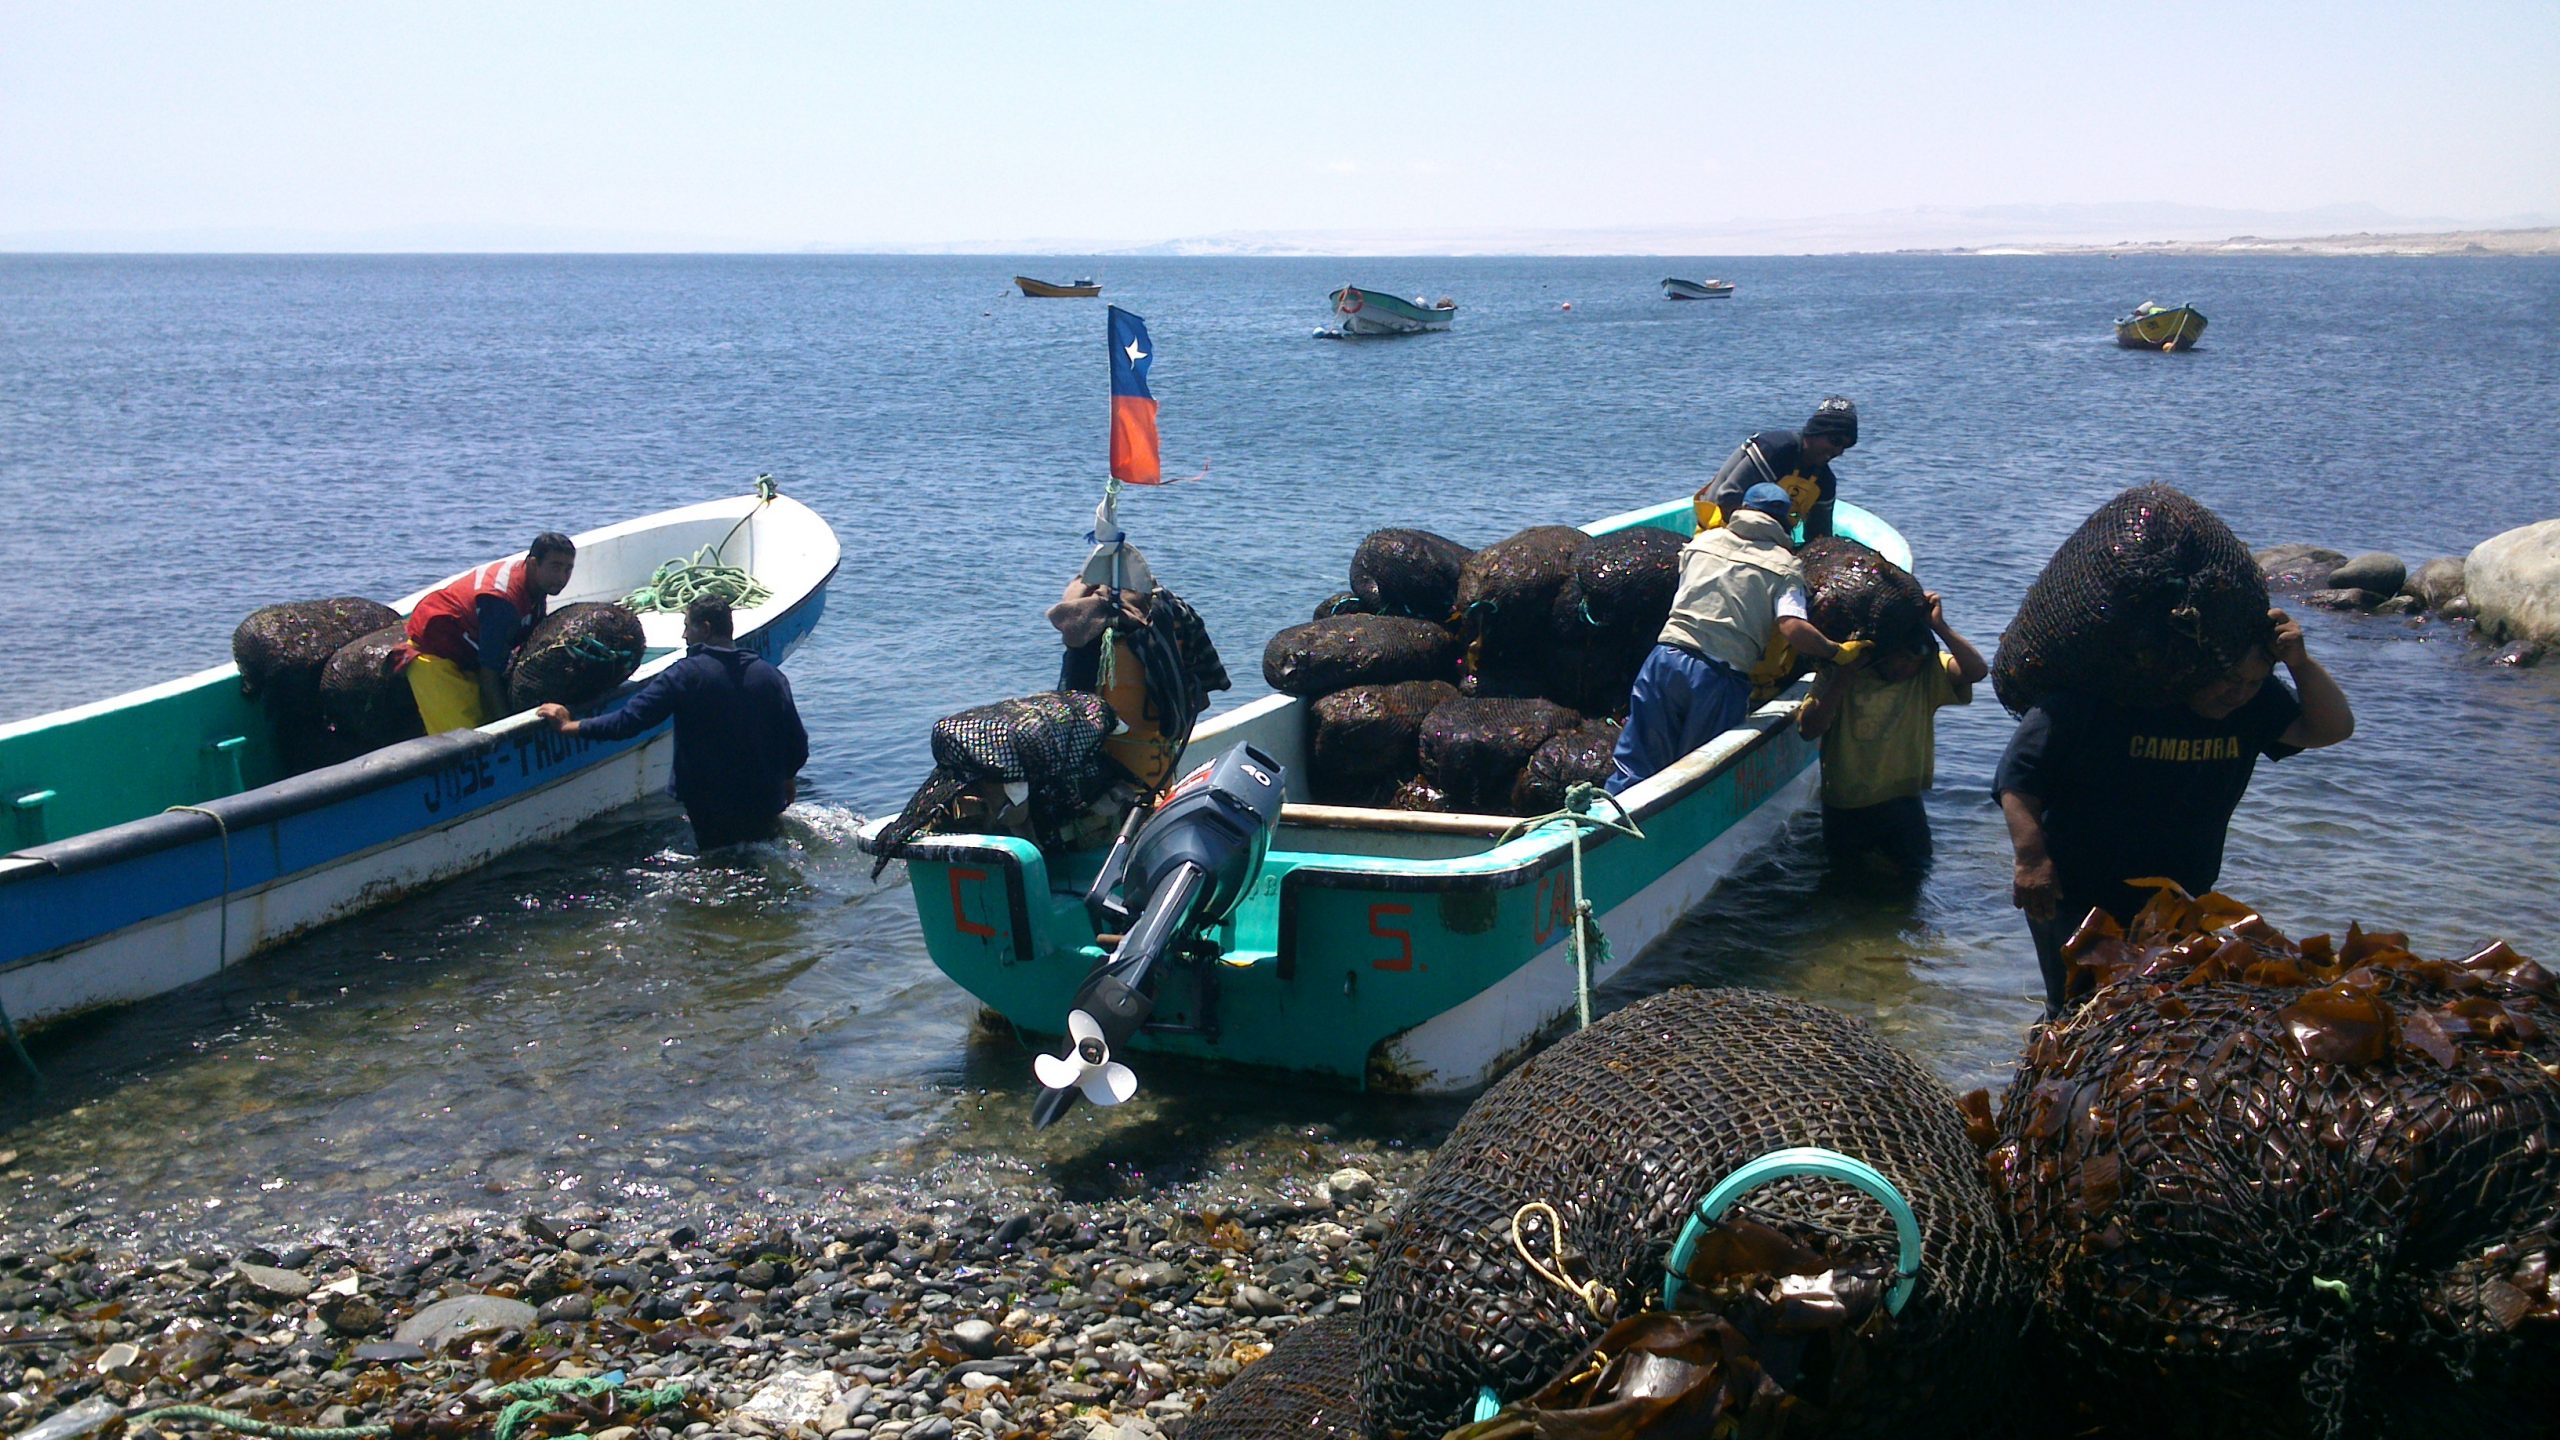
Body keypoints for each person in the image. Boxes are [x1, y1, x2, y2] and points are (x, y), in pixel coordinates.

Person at [1993, 608, 2355, 1016]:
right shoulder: (2109, 695)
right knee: (2081, 1007)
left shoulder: (2253, 705)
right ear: (2190, 668)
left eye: (2253, 682)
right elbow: (2018, 776)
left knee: (2152, 1008)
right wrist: (2031, 860)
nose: (2237, 693)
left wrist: (2300, 665)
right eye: (2230, 679)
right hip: (2076, 889)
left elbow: (2332, 729)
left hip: (2180, 895)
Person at [1609, 484, 1864, 794]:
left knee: (1634, 763)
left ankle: (1613, 819)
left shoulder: (1702, 543)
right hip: (1716, 677)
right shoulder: (1784, 567)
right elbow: (1792, 627)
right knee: (1697, 774)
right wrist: (1836, 652)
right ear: (1783, 522)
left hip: (1664, 660)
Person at [537, 594, 809, 851]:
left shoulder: (684, 676)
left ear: (705, 628)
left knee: (720, 869)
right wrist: (787, 777)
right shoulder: (770, 676)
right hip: (764, 801)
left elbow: (629, 722)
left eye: (687, 627)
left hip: (712, 808)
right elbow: (797, 742)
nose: (683, 635)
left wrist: (570, 726)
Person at [1796, 590, 1989, 878]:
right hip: (1845, 806)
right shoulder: (1845, 672)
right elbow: (1809, 729)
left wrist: (1940, 626)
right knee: (1844, 888)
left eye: (1914, 661)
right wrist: (1842, 679)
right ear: (1882, 652)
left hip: (1902, 801)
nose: (1905, 668)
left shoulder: (1926, 675)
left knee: (1912, 881)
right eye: (1900, 660)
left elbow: (1976, 671)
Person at [404, 532, 578, 733]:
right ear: (532, 563)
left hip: (468, 651)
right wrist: (509, 727)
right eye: (555, 567)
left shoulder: (535, 585)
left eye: (568, 569)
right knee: (466, 737)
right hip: (435, 657)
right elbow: (490, 674)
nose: (562, 577)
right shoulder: (502, 602)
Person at [1694, 396, 1860, 542]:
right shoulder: (1775, 451)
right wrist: (1769, 542)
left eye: (1845, 447)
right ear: (1817, 431)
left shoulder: (1825, 481)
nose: (1838, 451)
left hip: (1772, 541)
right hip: (1718, 531)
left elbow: (1819, 534)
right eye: (1835, 441)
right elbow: (1728, 498)